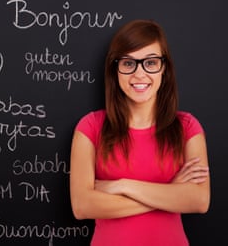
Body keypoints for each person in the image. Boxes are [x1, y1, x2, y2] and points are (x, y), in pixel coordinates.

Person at [69, 19, 210, 246]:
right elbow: (82, 206)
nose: (139, 74)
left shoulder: (188, 127)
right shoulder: (90, 127)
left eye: (151, 63)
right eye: (128, 63)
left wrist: (123, 185)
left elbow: (199, 200)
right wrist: (172, 192)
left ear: (164, 68)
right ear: (115, 69)